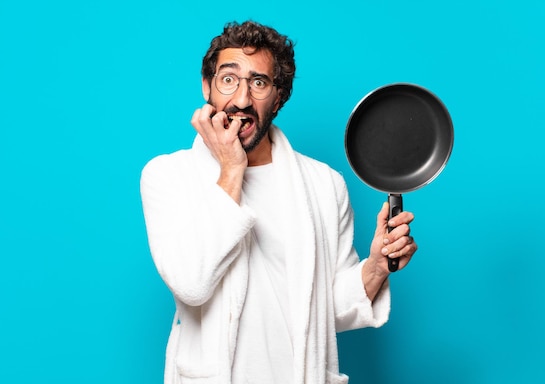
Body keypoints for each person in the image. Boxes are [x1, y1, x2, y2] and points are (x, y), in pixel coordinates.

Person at [140, 20, 417, 384]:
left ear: (279, 96)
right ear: (206, 86)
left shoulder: (323, 184)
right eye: (228, 79)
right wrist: (231, 168)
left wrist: (377, 267)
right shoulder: (168, 176)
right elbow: (191, 284)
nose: (241, 99)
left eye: (259, 83)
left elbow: (327, 309)